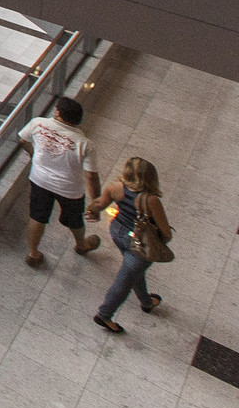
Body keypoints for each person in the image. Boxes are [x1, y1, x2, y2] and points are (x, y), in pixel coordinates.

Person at [87, 156, 173, 332]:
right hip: (141, 243)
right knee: (124, 281)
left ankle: (146, 301)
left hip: (117, 232)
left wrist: (91, 211)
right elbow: (166, 232)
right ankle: (104, 315)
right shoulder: (151, 201)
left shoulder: (115, 187)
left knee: (133, 270)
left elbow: (99, 204)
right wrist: (158, 244)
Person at [18, 96, 103, 267]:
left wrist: (34, 155)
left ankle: (33, 253)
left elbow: (23, 140)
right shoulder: (85, 144)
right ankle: (81, 245)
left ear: (58, 112)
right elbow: (91, 177)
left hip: (39, 179)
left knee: (37, 215)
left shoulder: (38, 124)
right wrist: (96, 204)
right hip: (70, 189)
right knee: (74, 219)